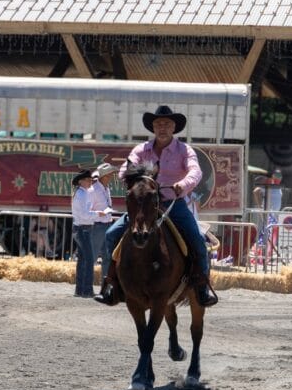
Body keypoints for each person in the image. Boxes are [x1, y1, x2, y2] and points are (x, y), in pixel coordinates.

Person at [95, 105, 218, 307]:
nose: (162, 127)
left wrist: (183, 184)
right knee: (111, 235)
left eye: (167, 124)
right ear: (153, 127)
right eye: (158, 124)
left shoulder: (185, 150)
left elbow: (195, 172)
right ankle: (110, 284)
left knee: (197, 240)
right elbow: (125, 169)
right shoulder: (140, 150)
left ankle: (201, 286)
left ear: (174, 128)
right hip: (145, 206)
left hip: (173, 204)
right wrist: (137, 177)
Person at [70, 168, 98, 297]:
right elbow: (85, 215)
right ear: (81, 181)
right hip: (84, 228)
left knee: (82, 260)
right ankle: (87, 290)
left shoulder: (80, 193)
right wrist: (99, 214)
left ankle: (80, 289)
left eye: (90, 179)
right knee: (89, 259)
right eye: (88, 180)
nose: (90, 182)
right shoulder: (82, 194)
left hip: (80, 228)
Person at [90, 162, 117, 284]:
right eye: (110, 173)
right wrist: (99, 213)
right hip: (97, 226)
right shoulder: (94, 190)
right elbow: (88, 210)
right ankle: (86, 284)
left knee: (107, 256)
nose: (112, 175)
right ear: (105, 176)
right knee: (93, 256)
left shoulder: (106, 189)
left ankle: (105, 284)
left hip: (106, 225)